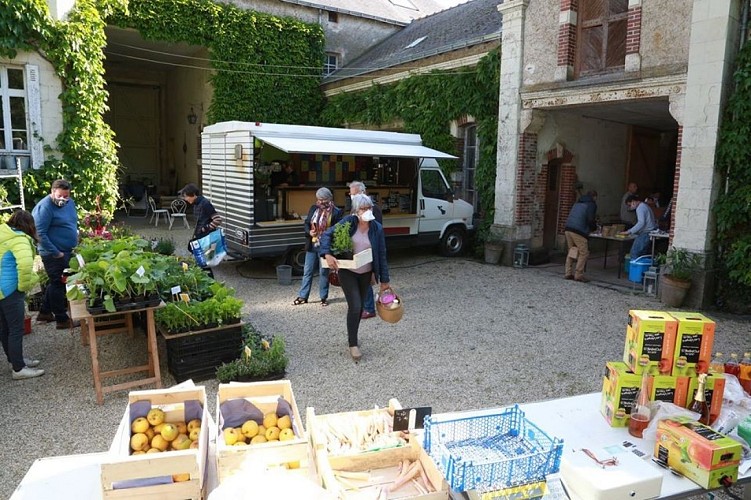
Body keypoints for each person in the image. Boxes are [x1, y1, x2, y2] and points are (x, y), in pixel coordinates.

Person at [320, 194, 391, 362]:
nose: (367, 211)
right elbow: (327, 235)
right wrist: (328, 254)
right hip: (348, 271)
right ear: (356, 211)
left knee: (358, 309)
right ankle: (353, 344)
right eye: (364, 209)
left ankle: (354, 336)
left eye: (369, 208)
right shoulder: (348, 222)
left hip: (366, 273)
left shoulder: (377, 228)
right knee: (356, 305)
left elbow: (381, 254)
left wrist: (384, 280)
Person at [0, 211, 44, 379]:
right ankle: (18, 369)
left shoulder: (3, 234)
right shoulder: (19, 239)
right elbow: (25, 266)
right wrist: (23, 287)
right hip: (10, 289)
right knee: (16, 329)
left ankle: (15, 360)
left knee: (5, 328)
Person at [32, 179, 79, 330]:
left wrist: (76, 235)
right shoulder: (44, 207)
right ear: (52, 192)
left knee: (56, 282)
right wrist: (56, 252)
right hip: (53, 254)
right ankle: (62, 319)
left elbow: (71, 221)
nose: (63, 200)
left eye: (66, 196)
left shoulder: (69, 203)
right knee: (59, 283)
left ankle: (45, 312)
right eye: (60, 196)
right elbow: (39, 233)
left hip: (67, 250)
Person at [293, 188, 343, 307]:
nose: (320, 202)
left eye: (323, 199)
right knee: (307, 271)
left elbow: (337, 230)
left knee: (323, 272)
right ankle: (303, 296)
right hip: (312, 245)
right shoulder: (313, 208)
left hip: (325, 247)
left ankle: (323, 297)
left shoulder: (336, 212)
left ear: (329, 199)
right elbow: (306, 223)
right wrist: (309, 232)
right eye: (318, 199)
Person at [348, 181, 382, 319]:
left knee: (367, 279)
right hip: (357, 249)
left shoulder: (375, 210)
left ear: (362, 192)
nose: (352, 196)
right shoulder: (353, 207)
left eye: (354, 194)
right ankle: (362, 304)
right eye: (350, 194)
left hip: (368, 250)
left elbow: (377, 231)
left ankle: (369, 308)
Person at [181, 183, 223, 278]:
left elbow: (217, 219)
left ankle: (210, 283)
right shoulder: (196, 204)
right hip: (200, 236)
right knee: (199, 258)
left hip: (206, 237)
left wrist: (205, 228)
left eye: (186, 196)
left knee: (205, 263)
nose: (185, 199)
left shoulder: (205, 203)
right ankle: (205, 281)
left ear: (193, 195)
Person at [563, 190, 598, 283]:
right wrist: (594, 228)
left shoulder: (577, 203)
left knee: (572, 250)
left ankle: (568, 272)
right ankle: (578, 275)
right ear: (594, 197)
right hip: (579, 230)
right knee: (584, 252)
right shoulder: (591, 204)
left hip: (568, 228)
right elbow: (590, 219)